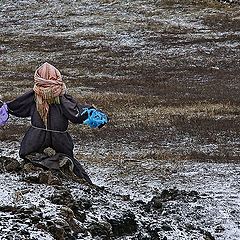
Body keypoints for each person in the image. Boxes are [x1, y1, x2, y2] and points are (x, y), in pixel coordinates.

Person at [1, 62, 108, 184]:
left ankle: (50, 163)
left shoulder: (34, 96)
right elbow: (76, 113)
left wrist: (6, 107)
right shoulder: (62, 98)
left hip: (36, 136)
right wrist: (92, 113)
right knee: (70, 160)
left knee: (26, 153)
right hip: (60, 138)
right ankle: (67, 167)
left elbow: (17, 105)